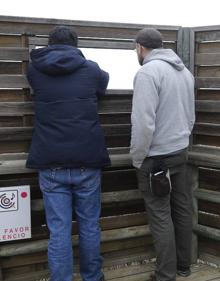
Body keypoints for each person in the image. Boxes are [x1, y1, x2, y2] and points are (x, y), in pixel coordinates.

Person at [26, 26, 110, 281]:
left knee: (59, 230)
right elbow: (103, 83)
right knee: (89, 227)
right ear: (76, 45)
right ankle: (92, 277)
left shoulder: (34, 70)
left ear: (50, 44)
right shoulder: (91, 69)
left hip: (50, 162)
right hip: (86, 159)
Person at [130, 28, 195, 281]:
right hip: (180, 151)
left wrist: (137, 157)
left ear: (140, 47)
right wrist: (182, 140)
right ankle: (184, 266)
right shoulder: (184, 72)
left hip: (156, 157)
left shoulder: (147, 72)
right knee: (181, 209)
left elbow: (143, 123)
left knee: (160, 216)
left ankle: (165, 275)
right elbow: (190, 116)